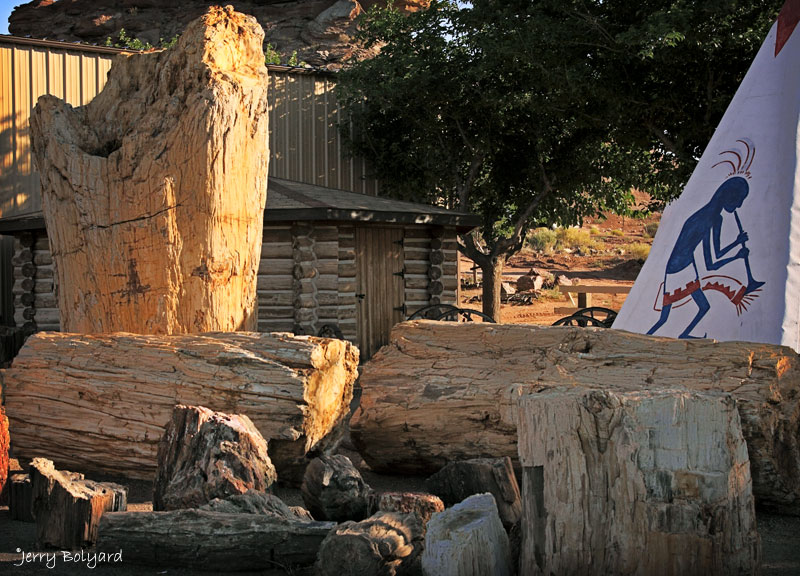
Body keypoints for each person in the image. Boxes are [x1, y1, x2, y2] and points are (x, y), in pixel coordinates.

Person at [648, 176, 763, 337]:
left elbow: (714, 255)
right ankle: (649, 340)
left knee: (700, 308)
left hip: (683, 265)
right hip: (680, 268)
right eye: (738, 199)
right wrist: (737, 254)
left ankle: (681, 335)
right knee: (666, 318)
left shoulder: (709, 214)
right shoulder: (711, 218)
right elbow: (712, 263)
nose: (738, 205)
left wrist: (737, 243)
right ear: (728, 196)